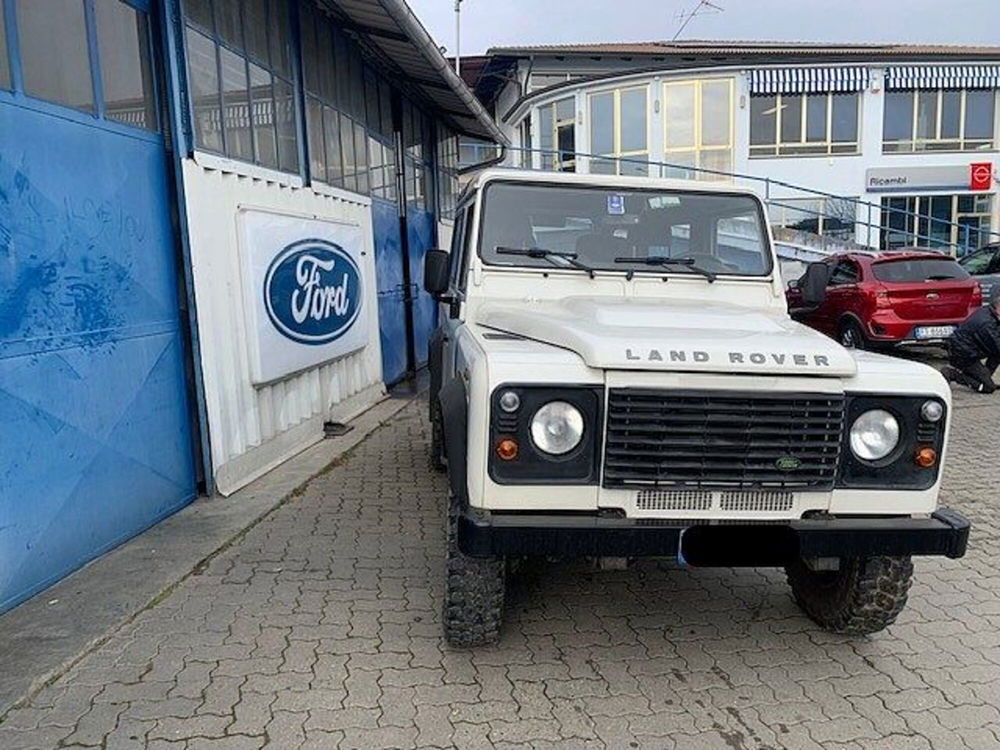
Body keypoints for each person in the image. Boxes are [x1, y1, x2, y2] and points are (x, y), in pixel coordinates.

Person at [943, 287, 1000, 393]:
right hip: (964, 355)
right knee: (988, 388)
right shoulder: (986, 324)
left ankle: (983, 378)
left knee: (996, 356)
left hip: (971, 349)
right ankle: (953, 374)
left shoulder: (989, 311)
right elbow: (997, 346)